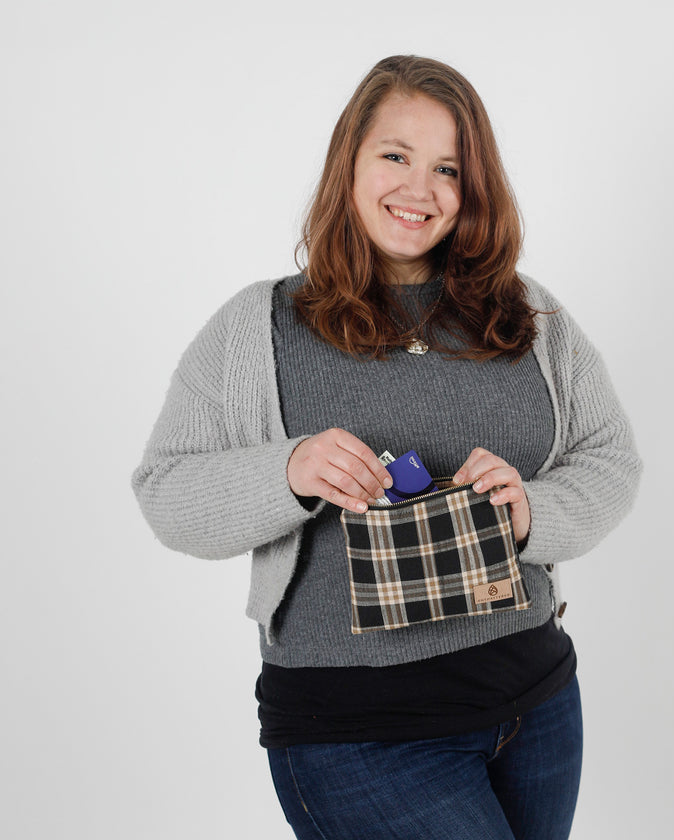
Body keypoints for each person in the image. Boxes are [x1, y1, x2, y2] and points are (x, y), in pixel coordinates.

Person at [131, 55, 641, 840]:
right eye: (395, 156)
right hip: (357, 736)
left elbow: (609, 458)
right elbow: (165, 492)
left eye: (448, 168)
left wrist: (531, 511)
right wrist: (288, 472)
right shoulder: (257, 327)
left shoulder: (528, 314)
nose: (420, 189)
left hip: (535, 707)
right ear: (351, 162)